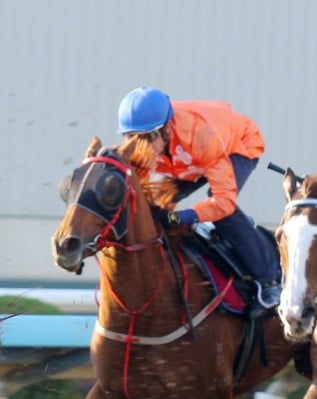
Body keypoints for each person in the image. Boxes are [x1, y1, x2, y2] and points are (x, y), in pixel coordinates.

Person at [116, 86, 279, 310]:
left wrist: (181, 217)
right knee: (158, 203)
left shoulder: (203, 135)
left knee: (221, 211)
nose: (140, 148)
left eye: (147, 138)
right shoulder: (143, 146)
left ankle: (268, 279)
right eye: (132, 138)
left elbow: (223, 202)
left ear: (166, 129)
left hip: (235, 146)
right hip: (190, 158)